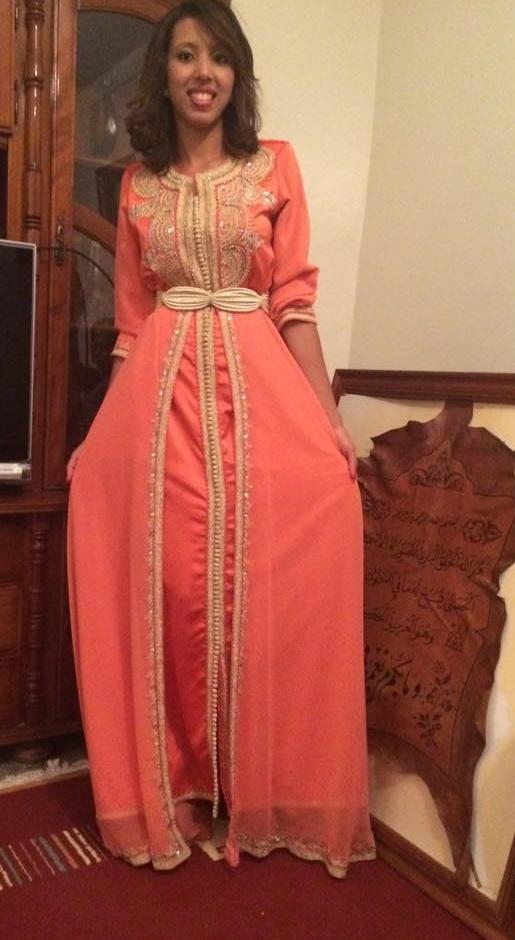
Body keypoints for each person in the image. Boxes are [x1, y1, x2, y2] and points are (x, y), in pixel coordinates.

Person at [67, 0, 375, 878]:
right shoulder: (137, 186)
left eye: (219, 57)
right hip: (158, 404)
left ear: (236, 75)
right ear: (162, 74)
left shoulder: (274, 165)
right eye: (185, 55)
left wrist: (327, 422)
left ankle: (261, 785)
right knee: (174, 586)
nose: (202, 72)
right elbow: (131, 323)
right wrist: (98, 436)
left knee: (264, 583)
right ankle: (178, 784)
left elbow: (293, 304)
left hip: (258, 394)